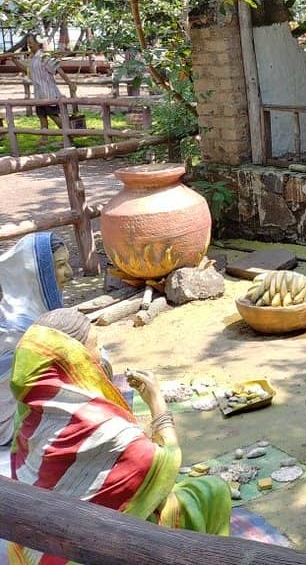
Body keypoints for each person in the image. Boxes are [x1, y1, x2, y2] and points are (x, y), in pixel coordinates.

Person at [8, 309, 230, 563]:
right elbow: (165, 461)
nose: (101, 354)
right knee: (212, 490)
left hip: (30, 552)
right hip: (83, 552)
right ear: (73, 359)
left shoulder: (27, 410)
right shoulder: (103, 427)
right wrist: (158, 404)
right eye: (95, 347)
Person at [0, 231, 73, 445]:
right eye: (60, 266)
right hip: (11, 426)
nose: (69, 273)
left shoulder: (36, 314)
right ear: (36, 274)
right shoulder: (15, 332)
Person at [25, 35, 75, 130]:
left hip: (48, 93)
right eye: (28, 43)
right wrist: (14, 60)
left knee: (53, 116)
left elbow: (58, 69)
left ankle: (69, 135)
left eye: (30, 43)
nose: (29, 45)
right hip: (39, 94)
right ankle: (44, 138)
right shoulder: (33, 59)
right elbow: (27, 71)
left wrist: (69, 83)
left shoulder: (44, 56)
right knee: (42, 116)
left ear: (38, 43)